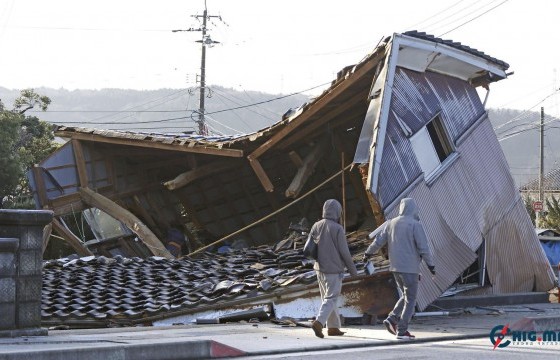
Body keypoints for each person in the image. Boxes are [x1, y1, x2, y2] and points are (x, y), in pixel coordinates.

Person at [363, 198, 435, 340]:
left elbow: (378, 241)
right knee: (411, 299)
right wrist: (431, 265)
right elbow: (423, 248)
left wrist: (368, 253)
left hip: (395, 268)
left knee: (406, 296)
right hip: (410, 268)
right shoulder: (415, 225)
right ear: (413, 209)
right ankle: (401, 330)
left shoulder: (391, 223)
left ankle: (392, 318)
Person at [309, 199, 358, 338]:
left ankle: (333, 328)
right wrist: (353, 271)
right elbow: (345, 252)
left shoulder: (316, 225)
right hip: (333, 269)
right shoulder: (337, 228)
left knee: (328, 298)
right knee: (331, 298)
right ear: (337, 212)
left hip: (319, 268)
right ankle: (318, 322)